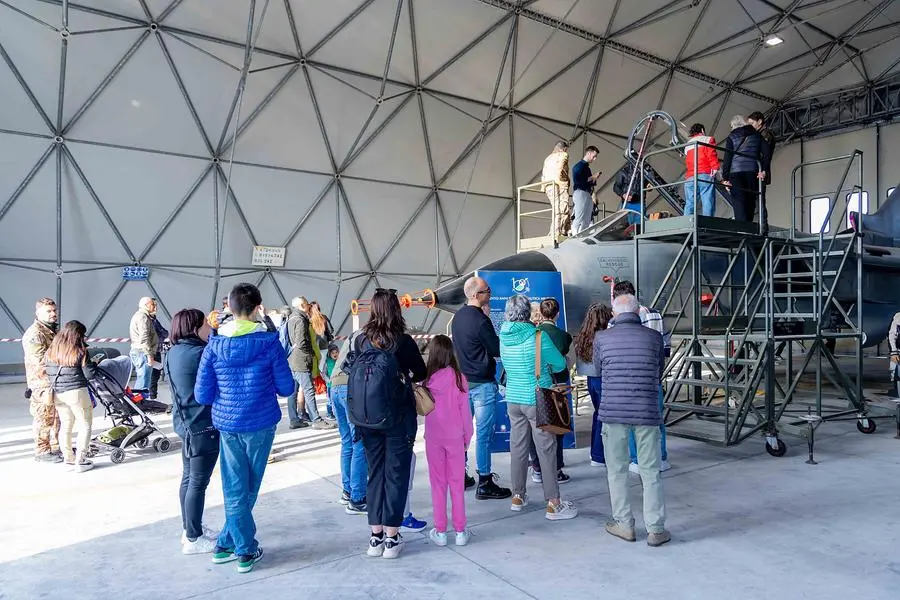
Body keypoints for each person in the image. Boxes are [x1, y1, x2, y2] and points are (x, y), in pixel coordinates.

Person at [195, 283, 294, 573]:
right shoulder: (269, 343)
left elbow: (202, 395)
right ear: (257, 309)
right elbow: (287, 388)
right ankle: (245, 549)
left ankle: (226, 543)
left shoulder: (214, 345)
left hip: (228, 425)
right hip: (260, 424)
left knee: (235, 484)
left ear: (230, 308)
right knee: (248, 487)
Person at [347, 289, 427, 559]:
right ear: (396, 310)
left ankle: (375, 537)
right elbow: (421, 372)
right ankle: (392, 539)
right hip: (398, 418)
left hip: (367, 419)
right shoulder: (402, 342)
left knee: (375, 474)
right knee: (396, 474)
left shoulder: (361, 341)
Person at [594, 293, 670, 547]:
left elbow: (599, 370)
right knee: (650, 472)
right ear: (638, 313)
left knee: (617, 471)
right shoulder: (654, 337)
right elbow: (658, 369)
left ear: (615, 314)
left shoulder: (602, 338)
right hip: (646, 412)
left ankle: (624, 524)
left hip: (614, 412)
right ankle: (656, 529)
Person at [499, 294, 578, 521]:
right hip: (537, 398)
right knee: (546, 449)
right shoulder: (538, 337)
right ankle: (553, 503)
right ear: (528, 313)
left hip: (513, 399)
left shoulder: (503, 337)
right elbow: (560, 363)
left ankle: (518, 496)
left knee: (518, 448)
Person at [450, 276, 512, 500]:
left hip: (462, 384)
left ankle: (460, 474)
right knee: (483, 436)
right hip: (482, 385)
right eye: (487, 291)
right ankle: (485, 482)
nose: (490, 294)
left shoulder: (457, 318)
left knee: (463, 433)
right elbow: (496, 349)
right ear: (476, 296)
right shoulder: (480, 320)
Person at [166, 309, 219, 555]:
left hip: (185, 422)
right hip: (201, 424)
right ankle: (193, 539)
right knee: (198, 482)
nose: (210, 329)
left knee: (188, 478)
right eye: (206, 325)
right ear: (195, 328)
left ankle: (190, 527)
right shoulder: (200, 353)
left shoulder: (173, 352)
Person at [610, 280, 671, 472]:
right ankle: (660, 458)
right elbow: (665, 347)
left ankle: (637, 460)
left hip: (628, 379)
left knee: (631, 423)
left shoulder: (614, 322)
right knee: (656, 419)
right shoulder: (655, 313)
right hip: (652, 376)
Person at [423, 335, 474, 547]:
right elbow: (465, 412)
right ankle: (460, 530)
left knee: (438, 484)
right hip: (455, 437)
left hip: (434, 437)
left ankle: (441, 530)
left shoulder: (426, 381)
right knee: (456, 483)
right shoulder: (459, 378)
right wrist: (467, 437)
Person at [529, 298, 571, 484]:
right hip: (557, 386)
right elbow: (567, 364)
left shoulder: (533, 333)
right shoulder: (564, 336)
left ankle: (537, 467)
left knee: (536, 427)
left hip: (536, 385)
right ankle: (556, 469)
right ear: (557, 314)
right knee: (557, 426)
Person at [45, 320, 96, 472]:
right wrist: (94, 364)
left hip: (58, 393)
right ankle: (81, 460)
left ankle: (68, 458)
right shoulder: (79, 351)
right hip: (76, 392)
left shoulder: (51, 351)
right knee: (85, 424)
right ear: (77, 335)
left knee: (66, 425)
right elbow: (89, 374)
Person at [332, 335, 369, 514]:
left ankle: (347, 491)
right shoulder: (370, 336)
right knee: (359, 443)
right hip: (349, 387)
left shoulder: (355, 334)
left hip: (335, 386)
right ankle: (358, 498)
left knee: (347, 442)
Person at [23, 297, 62, 463]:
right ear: (38, 313)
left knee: (56, 417)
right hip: (42, 383)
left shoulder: (53, 330)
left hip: (56, 381)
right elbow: (40, 363)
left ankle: (55, 446)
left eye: (54, 310)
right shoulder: (35, 334)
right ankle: (42, 450)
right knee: (44, 417)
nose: (53, 314)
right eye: (49, 311)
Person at [574, 303, 613, 467]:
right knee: (606, 418)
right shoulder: (605, 336)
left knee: (597, 415)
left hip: (591, 379)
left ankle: (596, 454)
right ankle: (600, 455)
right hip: (604, 378)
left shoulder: (584, 335)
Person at [286, 296, 333, 429]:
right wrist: (310, 354)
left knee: (293, 392)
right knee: (309, 390)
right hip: (301, 361)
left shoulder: (291, 318)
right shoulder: (301, 320)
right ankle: (316, 419)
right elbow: (301, 342)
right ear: (302, 305)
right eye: (306, 304)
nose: (308, 306)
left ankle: (294, 420)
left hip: (292, 360)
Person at [722, 115, 764, 228]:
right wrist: (763, 169)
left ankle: (742, 228)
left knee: (739, 201)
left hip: (735, 173)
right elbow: (765, 152)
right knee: (750, 200)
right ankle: (749, 226)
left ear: (733, 126)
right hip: (752, 171)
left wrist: (725, 178)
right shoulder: (756, 135)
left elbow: (728, 158)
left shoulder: (732, 136)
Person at [683, 123, 721, 217]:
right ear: (702, 131)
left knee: (690, 203)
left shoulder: (688, 145)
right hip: (705, 174)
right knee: (707, 199)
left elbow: (688, 161)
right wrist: (715, 167)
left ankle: (686, 224)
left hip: (690, 176)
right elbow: (711, 155)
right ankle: (708, 223)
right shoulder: (708, 139)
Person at [747, 111, 775, 231]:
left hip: (759, 172)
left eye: (752, 123)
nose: (750, 126)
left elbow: (766, 155)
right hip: (756, 170)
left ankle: (763, 228)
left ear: (759, 122)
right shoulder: (757, 134)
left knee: (759, 200)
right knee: (755, 200)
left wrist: (763, 170)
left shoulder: (765, 134)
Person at [129, 297, 160, 396]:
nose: (155, 307)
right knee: (143, 381)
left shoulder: (142, 316)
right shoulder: (143, 317)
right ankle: (140, 404)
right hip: (142, 352)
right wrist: (149, 355)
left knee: (143, 379)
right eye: (152, 305)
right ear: (145, 306)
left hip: (140, 352)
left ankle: (140, 403)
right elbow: (144, 337)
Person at [541, 140, 571, 240]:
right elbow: (560, 168)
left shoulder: (548, 158)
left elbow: (544, 174)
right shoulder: (563, 155)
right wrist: (564, 180)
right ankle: (560, 231)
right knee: (563, 208)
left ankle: (554, 231)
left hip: (548, 186)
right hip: (559, 185)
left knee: (556, 209)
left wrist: (543, 187)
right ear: (564, 148)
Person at [571, 145, 601, 234]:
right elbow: (578, 181)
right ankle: (575, 233)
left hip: (587, 193)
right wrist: (592, 177)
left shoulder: (586, 168)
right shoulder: (579, 166)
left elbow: (589, 182)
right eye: (594, 156)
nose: (594, 159)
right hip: (580, 192)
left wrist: (593, 179)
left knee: (587, 217)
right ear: (588, 153)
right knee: (580, 216)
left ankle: (582, 233)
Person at [149, 314, 169, 401]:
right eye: (153, 305)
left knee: (155, 375)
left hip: (156, 350)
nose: (155, 307)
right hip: (151, 352)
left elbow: (165, 333)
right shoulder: (147, 321)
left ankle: (153, 397)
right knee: (151, 376)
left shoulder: (154, 320)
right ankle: (150, 398)